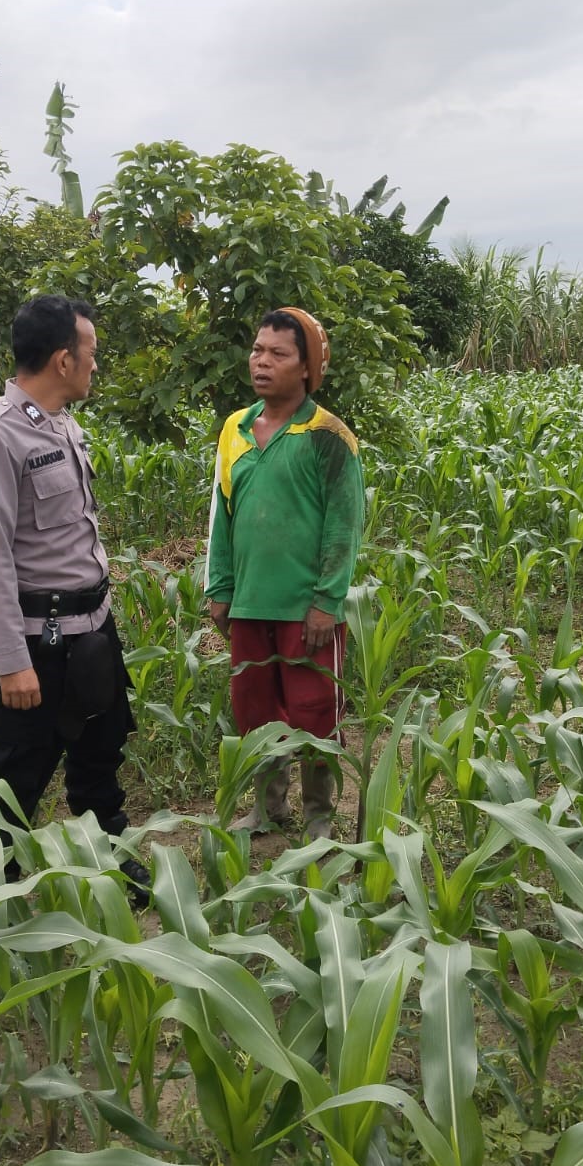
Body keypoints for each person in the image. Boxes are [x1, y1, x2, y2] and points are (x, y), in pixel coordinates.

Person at [0, 294, 148, 904]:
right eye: (91, 353)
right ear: (64, 360)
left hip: (92, 629)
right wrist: (11, 661)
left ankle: (111, 856)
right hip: (41, 644)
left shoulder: (63, 423)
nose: (96, 364)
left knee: (100, 753)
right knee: (14, 777)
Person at [204, 307, 364, 839]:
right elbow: (222, 517)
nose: (261, 362)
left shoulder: (329, 437)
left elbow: (344, 527)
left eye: (278, 354)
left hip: (306, 610)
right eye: (257, 350)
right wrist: (221, 589)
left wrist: (326, 600)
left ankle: (319, 815)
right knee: (255, 711)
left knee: (315, 709)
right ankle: (268, 807)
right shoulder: (236, 428)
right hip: (250, 603)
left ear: (307, 368)